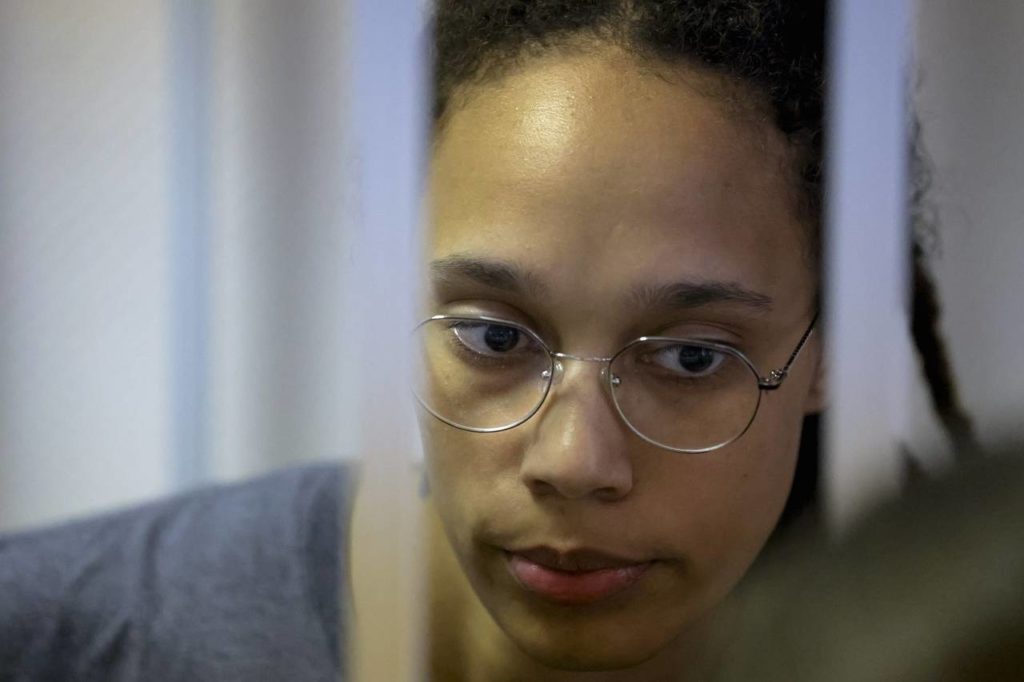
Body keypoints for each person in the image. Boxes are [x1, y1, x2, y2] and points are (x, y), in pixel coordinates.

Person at [0, 1, 975, 680]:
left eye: (690, 357)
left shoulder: (965, 647)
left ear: (832, 344)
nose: (573, 462)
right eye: (494, 336)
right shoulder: (59, 637)